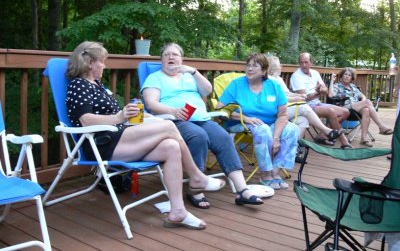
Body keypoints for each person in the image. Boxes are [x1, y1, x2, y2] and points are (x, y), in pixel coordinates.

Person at [65, 41, 227, 231]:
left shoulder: (98, 85)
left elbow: (122, 117)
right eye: (102, 61)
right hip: (102, 144)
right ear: (90, 63)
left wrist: (143, 116)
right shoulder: (79, 85)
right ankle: (196, 176)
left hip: (121, 137)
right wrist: (119, 116)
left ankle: (178, 211)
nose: (105, 65)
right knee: (168, 126)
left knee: (171, 147)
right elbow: (86, 120)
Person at [141, 43, 263, 207]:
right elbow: (151, 103)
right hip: (174, 121)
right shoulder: (155, 77)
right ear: (161, 60)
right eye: (167, 55)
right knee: (198, 136)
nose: (171, 57)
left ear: (181, 59)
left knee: (223, 137)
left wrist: (194, 71)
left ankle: (242, 190)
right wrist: (173, 111)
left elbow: (207, 91)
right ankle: (196, 188)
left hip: (202, 118)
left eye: (175, 54)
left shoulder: (189, 76)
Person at [216, 53, 299, 190]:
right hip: (241, 123)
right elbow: (220, 108)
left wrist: (276, 138)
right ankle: (265, 174)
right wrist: (245, 118)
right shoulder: (236, 84)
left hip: (271, 123)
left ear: (264, 70)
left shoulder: (273, 86)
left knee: (292, 129)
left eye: (255, 66)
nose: (249, 69)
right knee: (262, 129)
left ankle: (276, 172)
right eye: (248, 65)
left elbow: (283, 114)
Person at [267, 55, 343, 140]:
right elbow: (278, 98)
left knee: (303, 120)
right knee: (303, 106)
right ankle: (327, 131)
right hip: (277, 111)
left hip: (286, 108)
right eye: (279, 65)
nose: (281, 66)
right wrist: (297, 98)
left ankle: (294, 146)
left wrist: (298, 96)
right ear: (274, 67)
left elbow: (286, 93)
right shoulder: (269, 80)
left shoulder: (278, 78)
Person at [290, 52, 352, 149]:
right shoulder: (296, 76)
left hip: (317, 103)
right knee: (330, 111)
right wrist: (318, 93)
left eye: (306, 62)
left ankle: (323, 134)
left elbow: (326, 91)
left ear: (311, 63)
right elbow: (303, 98)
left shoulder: (315, 73)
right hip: (305, 107)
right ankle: (344, 142)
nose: (304, 65)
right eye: (301, 63)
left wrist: (321, 90)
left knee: (345, 112)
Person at [329, 67, 393, 147]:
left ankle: (363, 139)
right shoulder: (337, 86)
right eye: (345, 74)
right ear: (341, 76)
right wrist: (332, 81)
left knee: (366, 110)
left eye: (349, 75)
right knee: (367, 103)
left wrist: (362, 100)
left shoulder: (353, 87)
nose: (347, 76)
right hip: (344, 108)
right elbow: (331, 95)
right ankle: (381, 126)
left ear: (352, 78)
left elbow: (363, 96)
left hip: (355, 108)